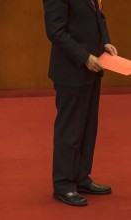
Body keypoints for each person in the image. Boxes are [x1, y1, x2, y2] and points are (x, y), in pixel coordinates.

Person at [43, 0, 118, 206]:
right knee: (70, 130)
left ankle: (81, 178)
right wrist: (85, 57)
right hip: (71, 69)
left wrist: (105, 42)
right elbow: (55, 31)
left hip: (93, 67)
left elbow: (98, 16)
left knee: (87, 127)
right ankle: (64, 185)